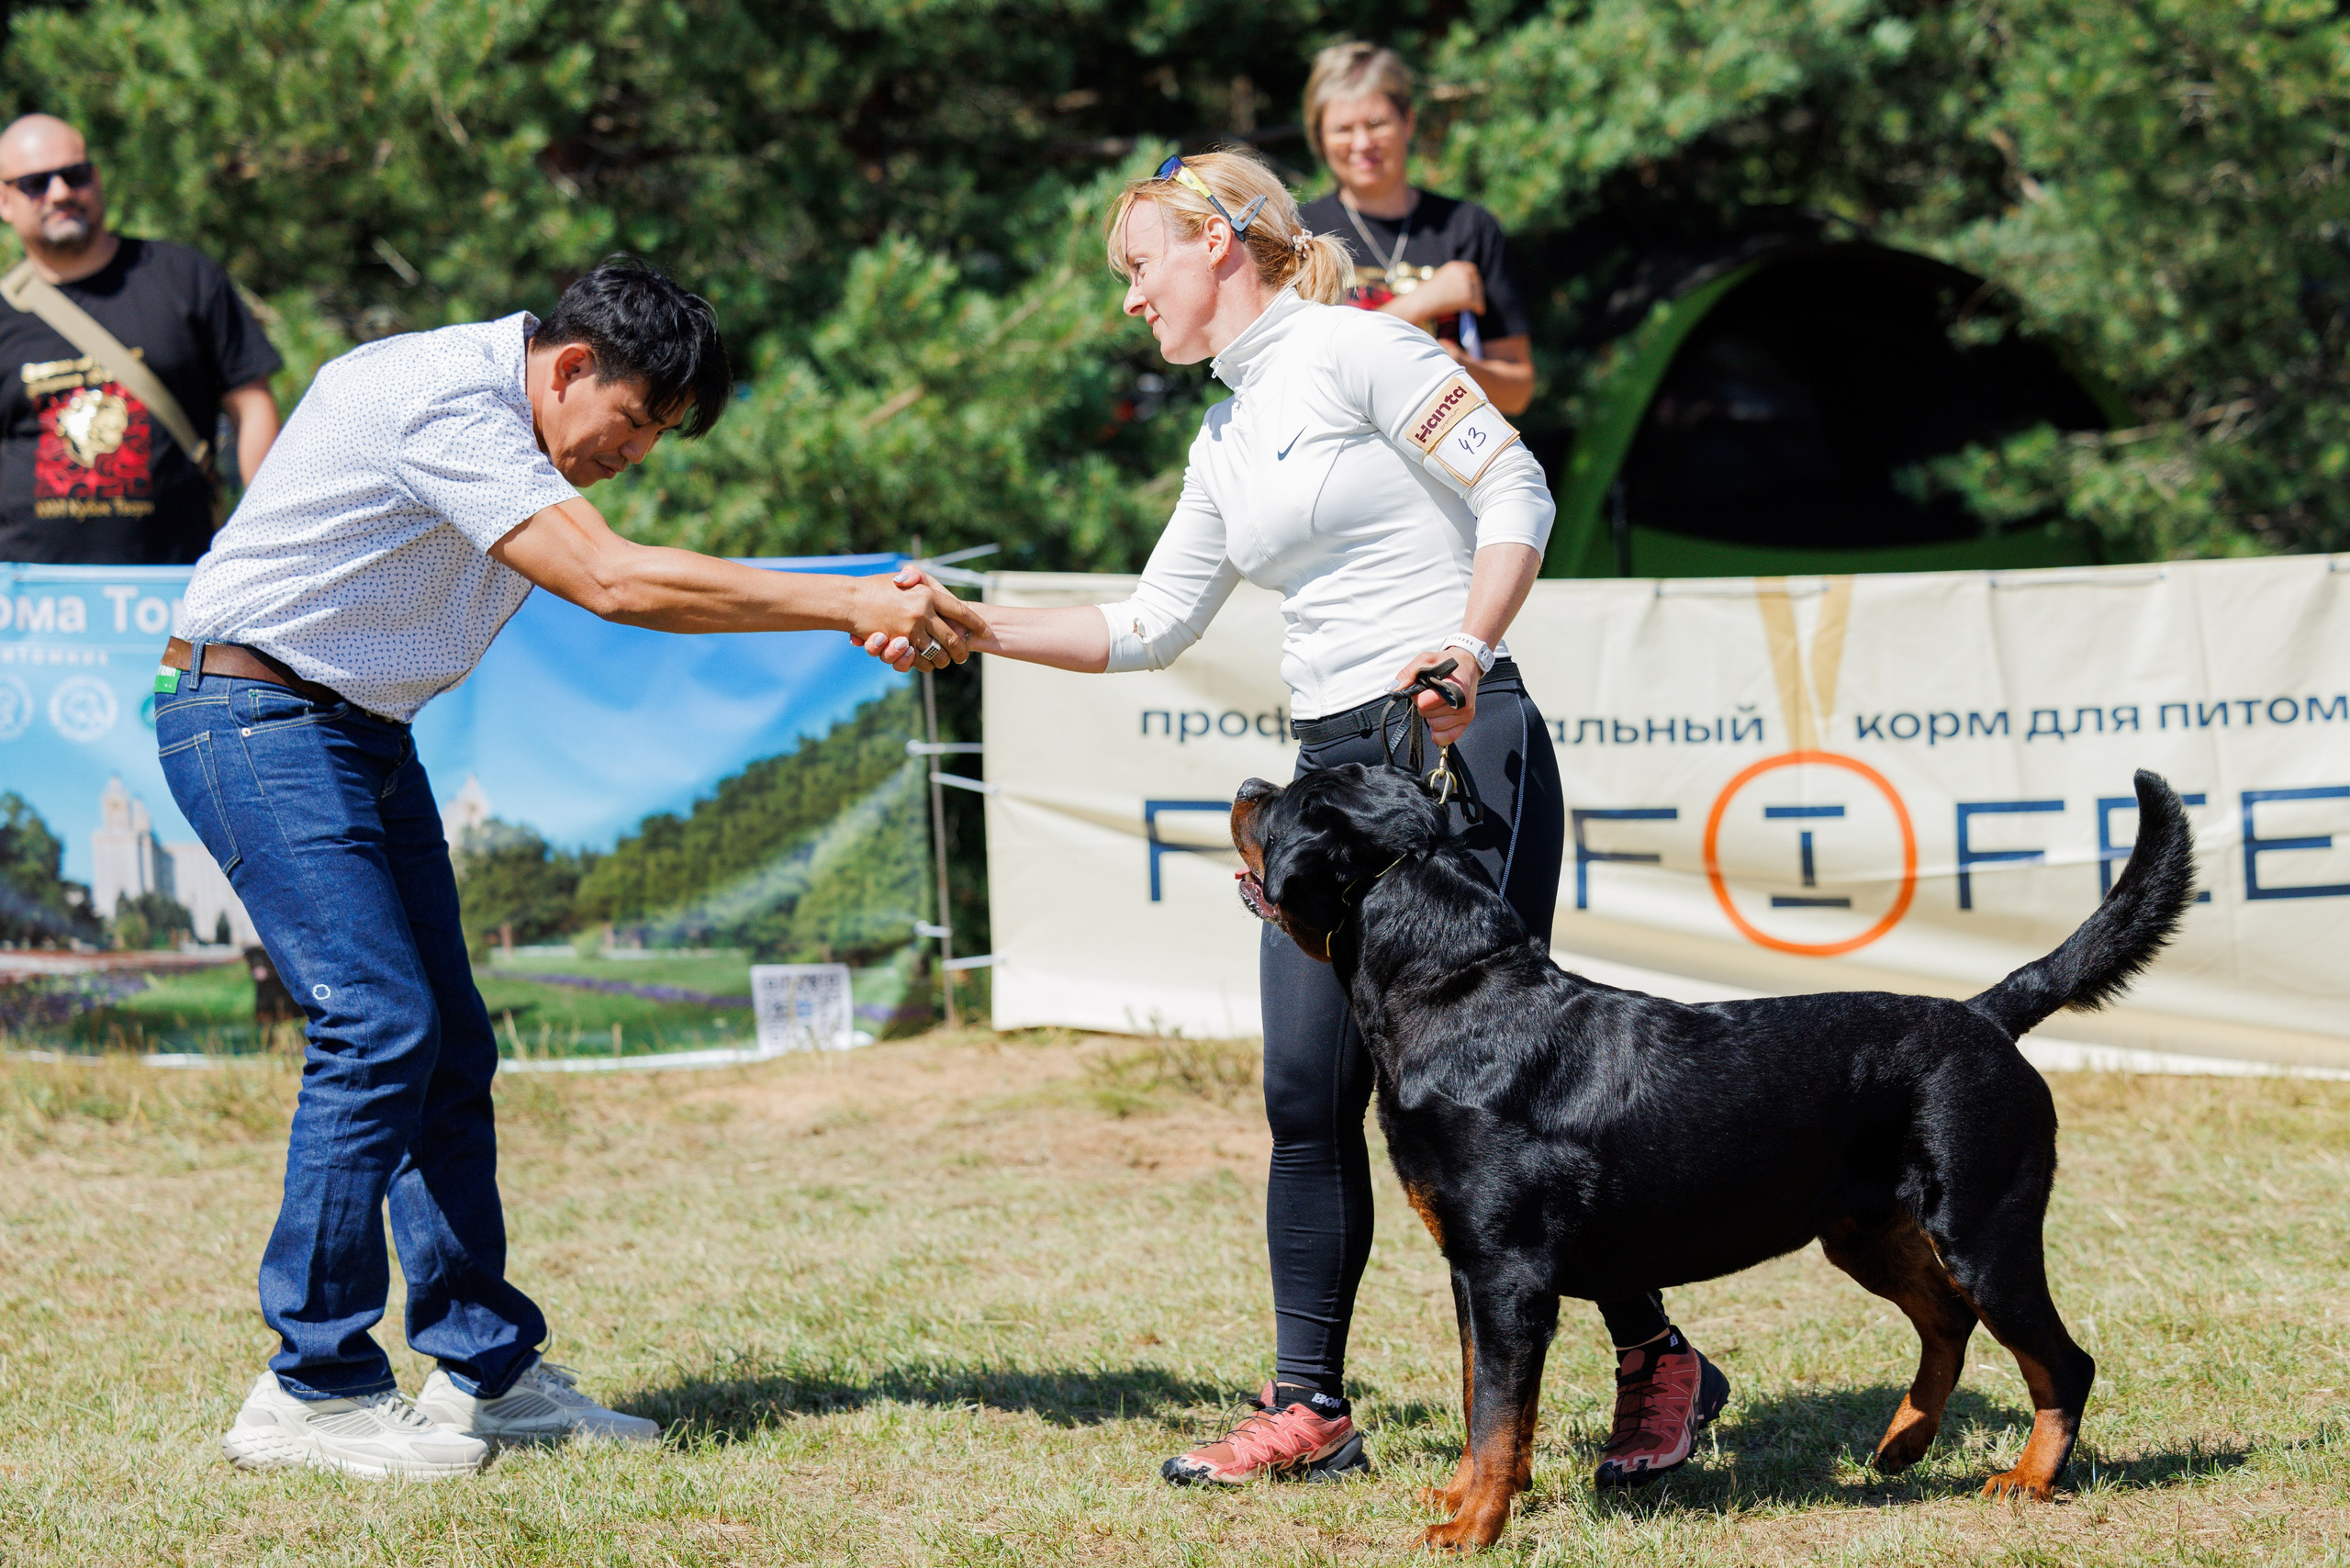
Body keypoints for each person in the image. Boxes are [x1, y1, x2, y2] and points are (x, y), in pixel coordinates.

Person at [870, 151, 1725, 1490]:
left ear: (1219, 244)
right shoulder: (1224, 430)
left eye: (1138, 264)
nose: (1129, 297)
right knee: (1304, 1092)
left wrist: (1464, 645)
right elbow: (1148, 625)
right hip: (1333, 774)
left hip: (1456, 738)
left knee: (1506, 1102)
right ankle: (1310, 1408)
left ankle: (1654, 1356)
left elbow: (1520, 489)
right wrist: (974, 629)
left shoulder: (1359, 353)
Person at [165, 257, 976, 1481]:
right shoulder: (452, 395)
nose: (636, 451)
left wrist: (840, 606)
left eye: (660, 437)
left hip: (351, 730)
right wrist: (848, 601)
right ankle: (310, 1387)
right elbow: (616, 581)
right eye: (637, 419)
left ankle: (483, 1374)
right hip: (254, 714)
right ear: (572, 363)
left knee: (443, 1044)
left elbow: (629, 571)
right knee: (378, 1025)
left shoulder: (513, 419)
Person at [0, 114, 282, 563]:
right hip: (32, 605)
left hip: (174, 590)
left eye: (74, 175)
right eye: (35, 183)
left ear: (96, 178)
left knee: (184, 640)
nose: (60, 193)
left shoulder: (183, 277)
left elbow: (251, 407)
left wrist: (268, 539)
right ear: (5, 200)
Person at [1294, 44, 1535, 417]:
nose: (1361, 144)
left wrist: (1458, 368)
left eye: (1376, 124)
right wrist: (1422, 303)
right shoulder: (1302, 234)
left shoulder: (1468, 227)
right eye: (1342, 129)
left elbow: (1518, 392)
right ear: (1320, 139)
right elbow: (1302, 371)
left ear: (1408, 121)